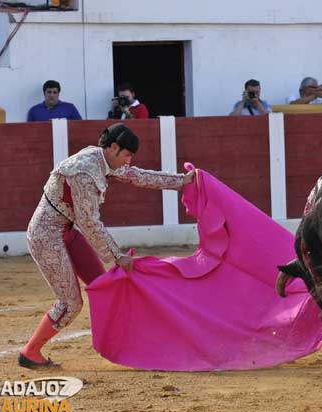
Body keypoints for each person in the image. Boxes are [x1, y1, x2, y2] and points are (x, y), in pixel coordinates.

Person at [18, 123, 195, 369]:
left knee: (105, 287)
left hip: (66, 231)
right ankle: (31, 352)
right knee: (71, 304)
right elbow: (89, 222)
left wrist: (181, 181)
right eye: (127, 154)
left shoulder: (104, 160)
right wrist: (116, 256)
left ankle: (126, 342)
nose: (129, 160)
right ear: (113, 147)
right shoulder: (84, 171)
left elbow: (137, 175)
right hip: (46, 236)